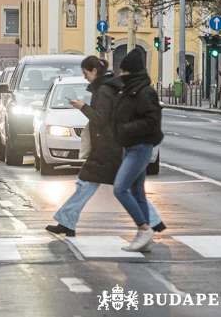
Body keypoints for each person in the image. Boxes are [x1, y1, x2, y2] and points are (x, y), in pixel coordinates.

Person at [46, 56, 164, 238]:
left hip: (107, 147)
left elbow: (101, 118)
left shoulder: (103, 89)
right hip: (110, 145)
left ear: (94, 71)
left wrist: (82, 107)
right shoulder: (107, 87)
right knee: (111, 186)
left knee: (97, 185)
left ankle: (151, 222)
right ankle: (67, 221)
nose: (85, 77)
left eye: (86, 73)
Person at [112, 48, 164, 252]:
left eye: (124, 71)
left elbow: (152, 121)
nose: (121, 74)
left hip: (140, 147)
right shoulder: (130, 90)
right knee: (137, 193)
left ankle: (144, 229)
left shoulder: (145, 92)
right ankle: (145, 238)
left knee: (120, 188)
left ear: (132, 72)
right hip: (130, 145)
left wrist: (125, 129)